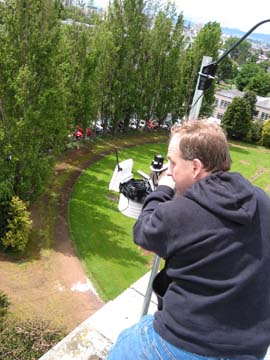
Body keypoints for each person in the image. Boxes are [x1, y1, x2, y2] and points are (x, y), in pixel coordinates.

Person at [107, 120, 270, 360]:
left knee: (125, 345)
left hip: (190, 342)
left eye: (173, 163)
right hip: (250, 347)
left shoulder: (180, 214)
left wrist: (162, 189)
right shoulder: (259, 199)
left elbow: (142, 231)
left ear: (195, 167)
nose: (170, 170)